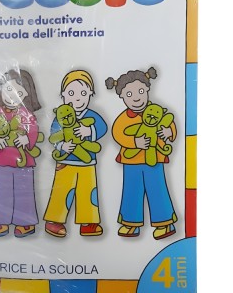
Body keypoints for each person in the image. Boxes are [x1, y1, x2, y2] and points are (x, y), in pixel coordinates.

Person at [105, 67, 178, 240]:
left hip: (155, 159)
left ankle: (164, 222)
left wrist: (169, 132)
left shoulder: (157, 111)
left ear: (147, 89)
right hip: (131, 163)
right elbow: (117, 134)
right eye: (129, 94)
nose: (136, 98)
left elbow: (169, 122)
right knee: (132, 191)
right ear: (122, 97)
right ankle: (130, 222)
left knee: (157, 189)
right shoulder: (123, 118)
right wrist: (135, 142)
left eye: (140, 91)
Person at [44, 70, 107, 238]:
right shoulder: (60, 116)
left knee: (88, 191)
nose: (77, 98)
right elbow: (54, 135)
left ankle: (89, 221)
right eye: (71, 93)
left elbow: (102, 128)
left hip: (87, 163)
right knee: (61, 191)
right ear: (63, 95)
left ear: (90, 94)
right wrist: (62, 146)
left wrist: (89, 130)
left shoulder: (92, 116)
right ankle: (54, 220)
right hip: (65, 162)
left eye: (83, 93)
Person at [0, 69, 42, 238]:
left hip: (24, 161)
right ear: (1, 90)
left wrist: (27, 140)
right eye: (8, 89)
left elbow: (33, 130)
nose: (12, 95)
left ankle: (25, 222)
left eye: (18, 92)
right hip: (1, 160)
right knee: (2, 192)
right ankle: (0, 221)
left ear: (26, 95)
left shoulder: (27, 115)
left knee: (25, 192)